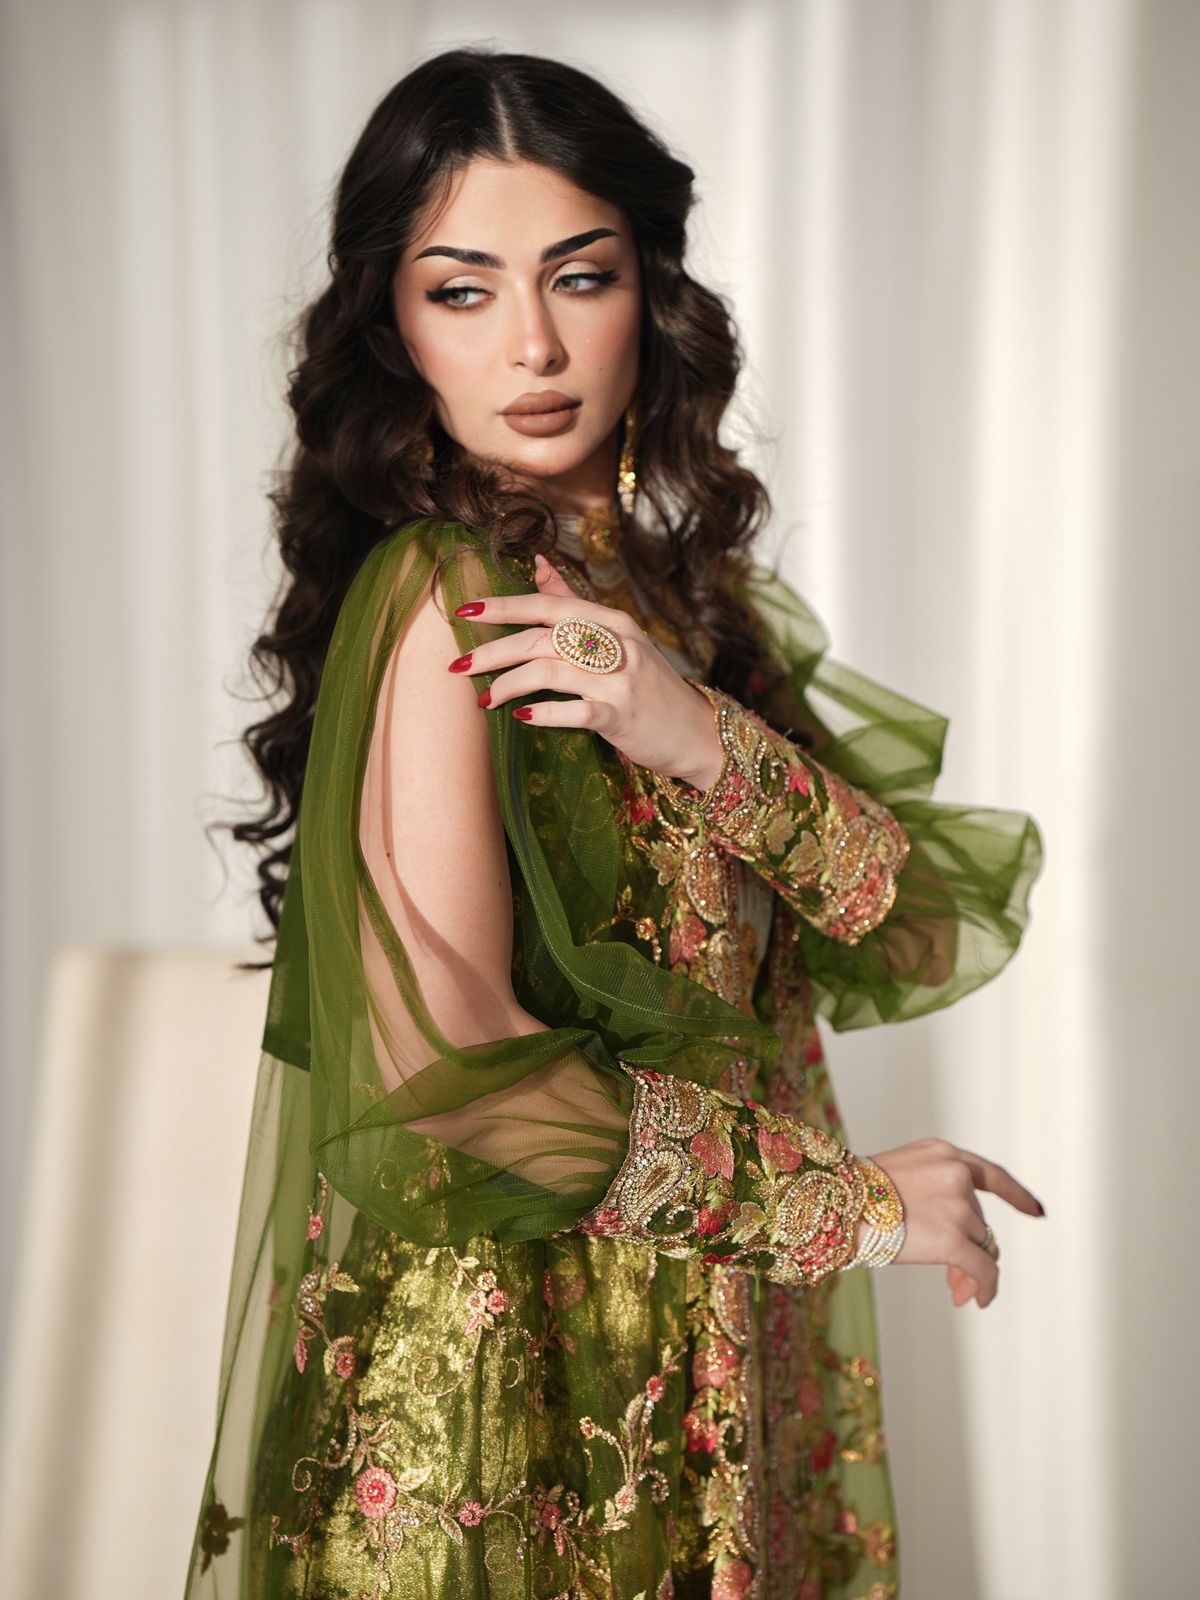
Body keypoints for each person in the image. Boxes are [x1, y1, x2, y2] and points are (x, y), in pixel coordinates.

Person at [184, 45, 1044, 1600]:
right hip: (511, 1414)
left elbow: (920, 926)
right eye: (463, 291)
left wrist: (698, 736)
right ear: (392, 325)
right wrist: (844, 1209)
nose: (532, 343)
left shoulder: (679, 611)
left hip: (707, 1363)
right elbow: (443, 1072)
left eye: (579, 277)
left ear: (651, 291)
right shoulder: (448, 596)